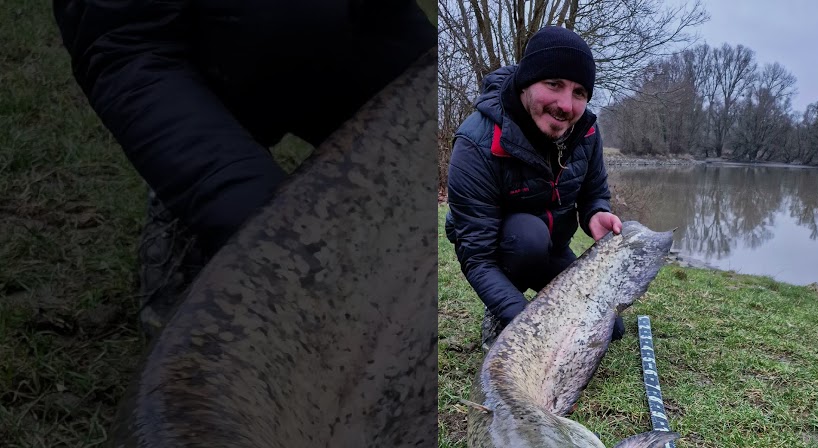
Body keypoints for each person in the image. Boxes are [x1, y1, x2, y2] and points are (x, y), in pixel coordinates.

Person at [51, 0, 435, 340]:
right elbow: (127, 47)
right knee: (265, 240)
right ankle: (187, 218)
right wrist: (256, 218)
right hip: (197, 59)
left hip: (344, 29)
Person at [444, 26, 624, 351]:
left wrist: (597, 213)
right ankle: (500, 317)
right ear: (527, 81)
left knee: (612, 327)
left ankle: (545, 302)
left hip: (554, 248)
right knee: (528, 235)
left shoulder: (587, 131)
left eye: (579, 92)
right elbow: (477, 258)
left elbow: (594, 192)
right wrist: (524, 323)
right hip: (509, 248)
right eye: (554, 84)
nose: (566, 105)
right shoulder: (474, 142)